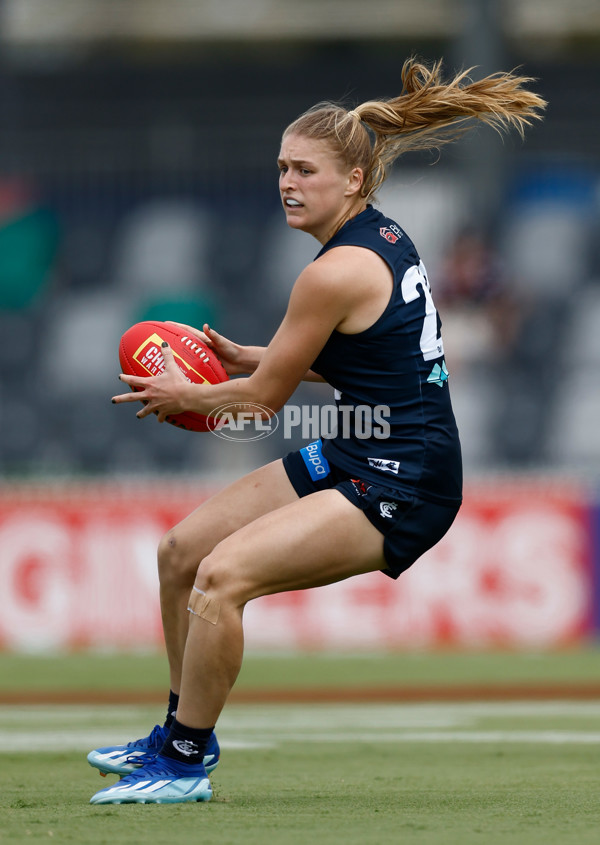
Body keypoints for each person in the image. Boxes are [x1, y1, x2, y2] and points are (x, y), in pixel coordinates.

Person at [89, 58, 546, 804]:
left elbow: (260, 407)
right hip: (359, 447)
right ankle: (174, 730)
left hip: (406, 475)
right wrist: (255, 358)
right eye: (281, 168)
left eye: (304, 169)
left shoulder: (333, 271)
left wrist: (188, 392)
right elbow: (365, 361)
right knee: (181, 553)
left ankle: (182, 763)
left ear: (355, 181)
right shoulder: (381, 239)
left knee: (221, 577)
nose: (286, 183)